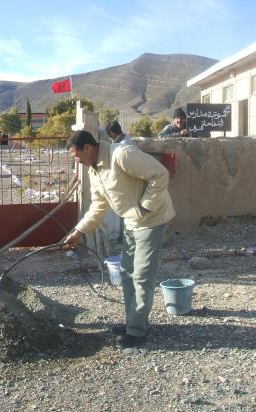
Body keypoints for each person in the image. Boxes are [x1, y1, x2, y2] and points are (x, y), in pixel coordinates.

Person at [64, 129, 175, 348]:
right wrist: (79, 232)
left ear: (88, 148)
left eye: (76, 156)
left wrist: (145, 207)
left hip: (151, 220)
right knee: (127, 274)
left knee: (142, 276)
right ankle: (133, 321)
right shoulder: (93, 170)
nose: (76, 161)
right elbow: (98, 206)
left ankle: (137, 331)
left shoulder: (122, 154)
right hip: (131, 222)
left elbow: (160, 174)